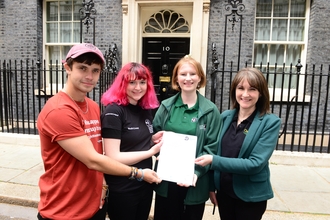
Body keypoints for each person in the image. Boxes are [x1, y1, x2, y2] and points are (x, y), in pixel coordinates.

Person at [36, 43, 161, 220]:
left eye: (95, 70)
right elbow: (93, 160)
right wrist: (139, 173)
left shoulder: (93, 107)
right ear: (67, 68)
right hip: (63, 209)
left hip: (93, 205)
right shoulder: (59, 110)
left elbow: (98, 152)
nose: (89, 76)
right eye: (82, 68)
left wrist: (102, 185)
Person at [195, 67, 281, 220]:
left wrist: (213, 161)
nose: (245, 94)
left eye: (252, 89)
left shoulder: (270, 122)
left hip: (250, 196)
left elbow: (255, 163)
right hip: (224, 193)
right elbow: (214, 149)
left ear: (260, 93)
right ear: (235, 90)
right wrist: (211, 187)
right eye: (241, 88)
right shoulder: (225, 117)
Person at [152, 55, 221, 220]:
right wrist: (156, 145)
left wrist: (196, 172)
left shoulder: (210, 111)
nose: (188, 78)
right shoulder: (165, 107)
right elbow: (154, 137)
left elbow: (212, 147)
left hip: (195, 182)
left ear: (200, 78)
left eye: (193, 74)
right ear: (176, 78)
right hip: (166, 181)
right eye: (183, 74)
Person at [100, 62, 163, 220]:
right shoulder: (114, 112)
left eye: (142, 82)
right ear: (123, 84)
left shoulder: (144, 110)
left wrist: (152, 140)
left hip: (145, 184)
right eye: (132, 82)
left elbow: (134, 144)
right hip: (123, 187)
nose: (138, 87)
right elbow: (113, 156)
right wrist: (150, 152)